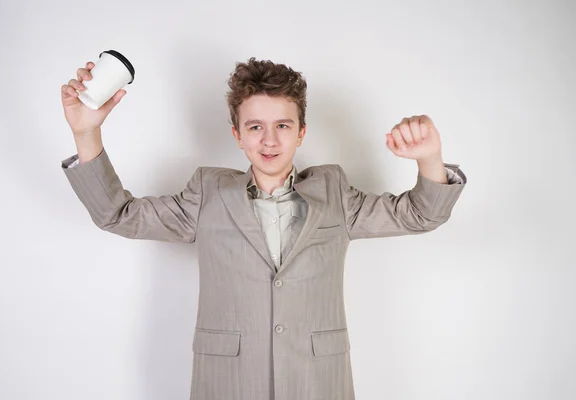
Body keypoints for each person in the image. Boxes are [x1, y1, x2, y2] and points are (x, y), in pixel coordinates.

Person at [60, 57, 467, 400]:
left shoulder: (335, 193)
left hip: (317, 382)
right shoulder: (208, 194)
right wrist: (86, 131)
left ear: (301, 132)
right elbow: (116, 213)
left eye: (283, 126)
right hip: (229, 382)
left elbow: (421, 214)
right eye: (255, 127)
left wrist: (430, 159)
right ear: (237, 135)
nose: (269, 140)